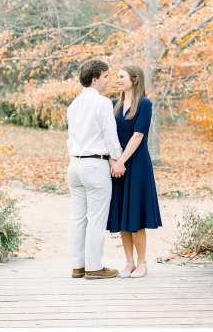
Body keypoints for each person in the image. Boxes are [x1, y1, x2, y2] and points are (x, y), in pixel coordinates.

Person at [66, 59, 126, 280]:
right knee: (96, 218)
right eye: (106, 76)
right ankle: (94, 267)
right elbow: (110, 137)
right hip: (95, 164)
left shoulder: (74, 104)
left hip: (75, 165)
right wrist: (118, 160)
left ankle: (77, 266)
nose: (109, 80)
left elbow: (70, 140)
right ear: (95, 79)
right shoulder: (102, 103)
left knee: (78, 217)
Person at [107, 65, 162, 278]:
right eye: (117, 77)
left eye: (121, 77)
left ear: (135, 79)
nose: (117, 80)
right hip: (117, 166)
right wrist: (113, 162)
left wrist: (121, 162)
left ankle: (142, 263)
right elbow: (107, 136)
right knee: (123, 215)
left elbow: (138, 136)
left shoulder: (144, 104)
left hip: (136, 164)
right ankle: (128, 262)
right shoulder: (113, 105)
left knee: (136, 217)